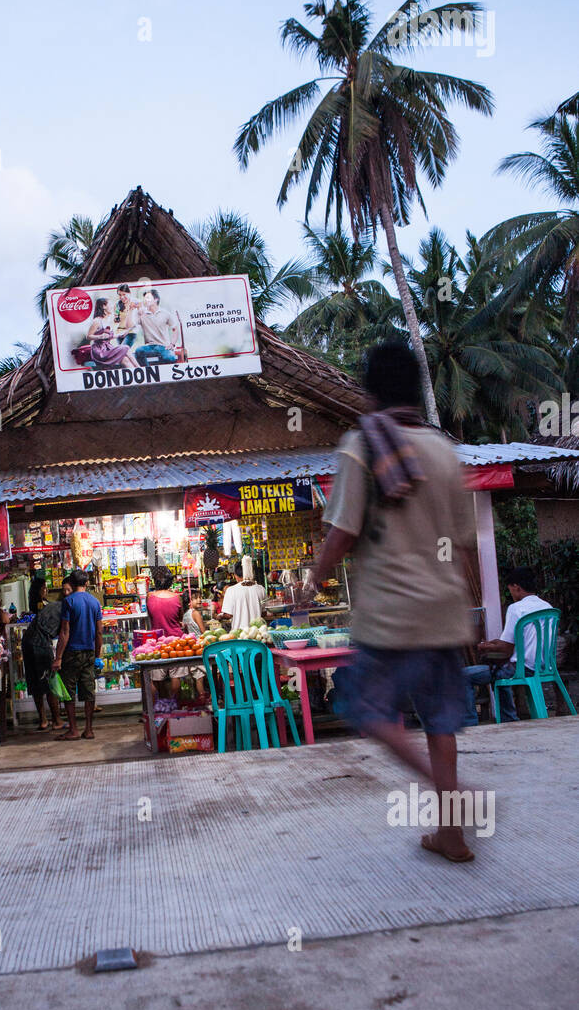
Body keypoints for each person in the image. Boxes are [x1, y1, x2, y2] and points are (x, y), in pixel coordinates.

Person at [306, 339, 478, 864]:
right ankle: (450, 834)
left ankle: (451, 796)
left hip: (391, 617)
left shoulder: (363, 444)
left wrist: (312, 583)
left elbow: (341, 533)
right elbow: (466, 544)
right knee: (440, 722)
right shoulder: (444, 451)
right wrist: (470, 611)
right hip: (444, 612)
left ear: (372, 390)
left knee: (365, 708)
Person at [463, 566, 553, 724]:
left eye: (510, 589)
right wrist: (493, 644)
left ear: (516, 587)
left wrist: (485, 647)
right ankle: (508, 718)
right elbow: (514, 640)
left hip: (522, 668)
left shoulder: (516, 608)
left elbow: (506, 648)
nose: (511, 593)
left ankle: (470, 724)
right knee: (500, 668)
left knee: (464, 675)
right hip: (543, 667)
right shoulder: (547, 607)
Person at [51, 570, 103, 740]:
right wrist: (97, 655)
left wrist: (58, 658)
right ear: (86, 583)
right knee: (89, 691)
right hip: (89, 652)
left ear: (72, 585)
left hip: (71, 653)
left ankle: (73, 729)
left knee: (69, 692)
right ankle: (89, 729)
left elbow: (65, 632)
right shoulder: (95, 602)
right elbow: (99, 632)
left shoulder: (69, 601)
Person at [22, 576, 73, 731]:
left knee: (35, 683)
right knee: (50, 682)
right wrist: (59, 657)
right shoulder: (65, 608)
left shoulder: (54, 605)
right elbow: (65, 633)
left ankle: (43, 721)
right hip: (40, 644)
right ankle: (57, 720)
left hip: (27, 642)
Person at [146, 566, 186, 698]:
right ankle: (175, 708)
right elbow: (180, 618)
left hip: (157, 642)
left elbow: (151, 617)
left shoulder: (149, 597)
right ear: (170, 581)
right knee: (176, 676)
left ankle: (157, 710)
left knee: (156, 678)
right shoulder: (177, 598)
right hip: (176, 642)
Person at [87, 297, 141, 370]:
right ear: (104, 306)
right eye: (111, 304)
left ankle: (137, 375)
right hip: (100, 351)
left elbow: (108, 336)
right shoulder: (97, 321)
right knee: (126, 347)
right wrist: (100, 336)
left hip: (108, 348)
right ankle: (140, 369)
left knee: (125, 360)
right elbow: (89, 336)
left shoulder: (108, 320)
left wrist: (120, 335)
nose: (113, 306)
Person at [134, 288, 179, 367]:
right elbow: (131, 326)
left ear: (156, 300)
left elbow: (175, 329)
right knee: (138, 351)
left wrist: (172, 344)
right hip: (149, 346)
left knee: (170, 357)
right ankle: (148, 372)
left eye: (148, 298)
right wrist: (136, 311)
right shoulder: (142, 313)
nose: (145, 300)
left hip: (163, 346)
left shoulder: (165, 313)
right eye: (145, 298)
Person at [220, 557, 266, 629]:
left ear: (235, 575)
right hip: (258, 633)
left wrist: (220, 616)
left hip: (239, 634)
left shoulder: (231, 590)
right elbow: (264, 613)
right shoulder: (261, 589)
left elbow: (228, 615)